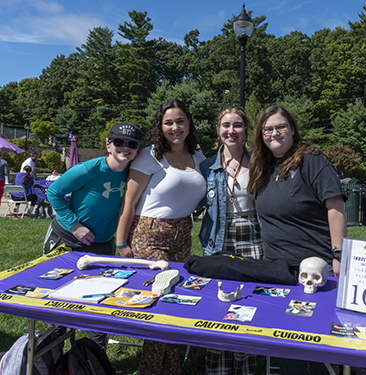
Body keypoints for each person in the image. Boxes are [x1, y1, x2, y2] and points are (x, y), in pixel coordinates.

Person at [247, 104, 347, 375]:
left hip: (315, 268)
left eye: (280, 127)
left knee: (317, 347)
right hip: (277, 269)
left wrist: (338, 256)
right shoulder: (263, 165)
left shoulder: (312, 159)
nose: (274, 133)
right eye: (267, 129)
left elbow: (335, 206)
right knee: (286, 341)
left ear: (292, 128)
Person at [116, 99, 205, 375]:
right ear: (160, 125)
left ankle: (170, 366)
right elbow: (129, 202)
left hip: (182, 234)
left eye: (180, 121)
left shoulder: (198, 155)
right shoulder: (149, 155)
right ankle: (151, 370)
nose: (175, 127)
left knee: (174, 303)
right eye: (168, 122)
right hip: (150, 234)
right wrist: (121, 243)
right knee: (159, 303)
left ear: (189, 124)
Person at [43, 122, 141, 350]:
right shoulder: (89, 169)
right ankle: (50, 360)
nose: (124, 148)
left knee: (98, 305)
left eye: (132, 144)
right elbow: (53, 192)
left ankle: (96, 362)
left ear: (137, 150)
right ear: (108, 145)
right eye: (118, 142)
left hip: (101, 246)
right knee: (57, 303)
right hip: (65, 239)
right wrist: (75, 225)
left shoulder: (135, 174)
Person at [199, 106, 263, 375]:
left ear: (246, 130)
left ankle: (246, 367)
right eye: (226, 125)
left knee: (248, 303)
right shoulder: (206, 166)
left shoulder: (260, 161)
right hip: (218, 238)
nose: (231, 130)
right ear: (218, 129)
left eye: (237, 125)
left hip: (254, 237)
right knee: (217, 304)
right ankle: (218, 369)